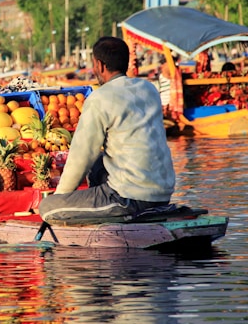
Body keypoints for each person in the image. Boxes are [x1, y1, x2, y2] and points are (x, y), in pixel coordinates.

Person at [38, 37, 175, 223]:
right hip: (162, 193)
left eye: (94, 65)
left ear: (100, 65)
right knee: (97, 165)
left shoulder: (99, 98)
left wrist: (61, 198)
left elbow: (81, 156)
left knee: (47, 208)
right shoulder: (148, 89)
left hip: (129, 198)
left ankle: (113, 217)